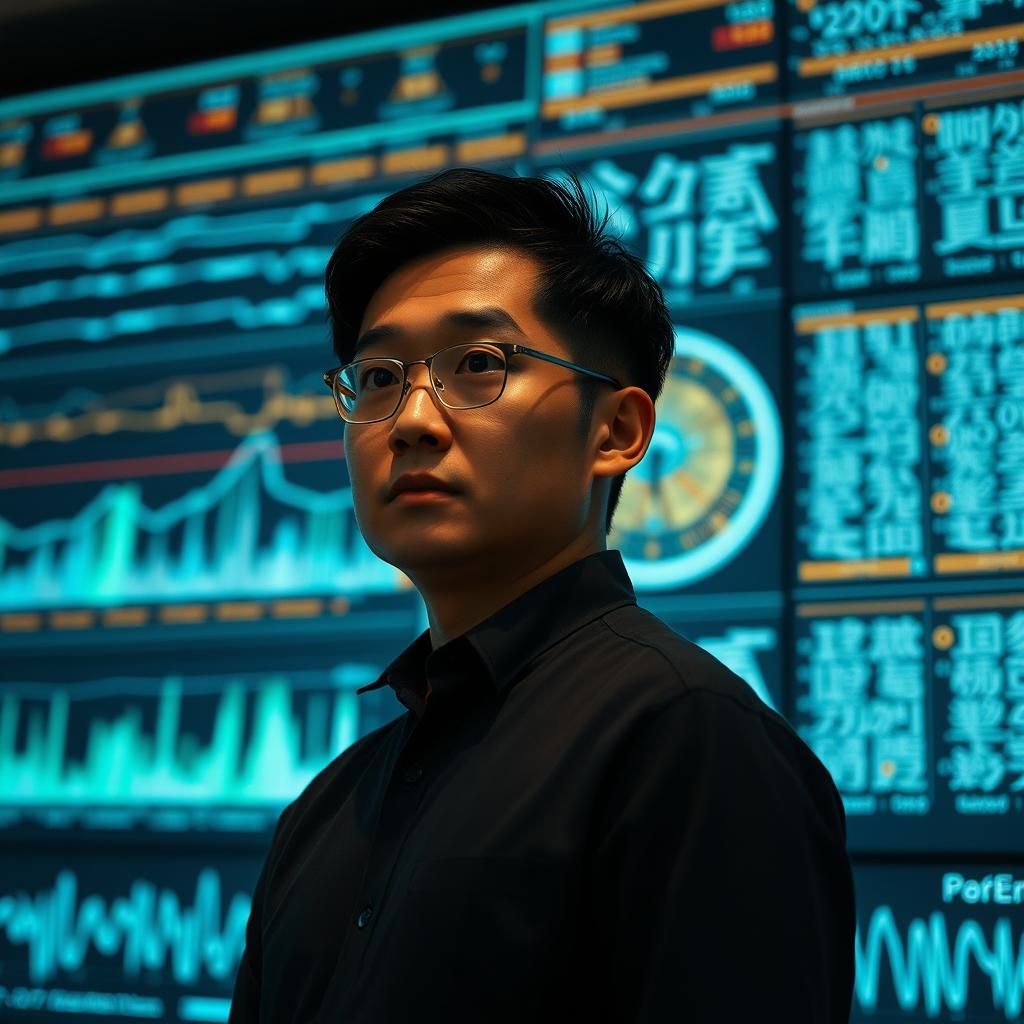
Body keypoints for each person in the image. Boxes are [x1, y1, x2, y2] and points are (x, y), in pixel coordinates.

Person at [227, 167, 856, 1023]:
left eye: (479, 363)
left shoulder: (688, 739)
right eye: (376, 377)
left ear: (617, 431)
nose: (409, 418)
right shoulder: (328, 807)